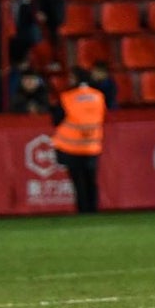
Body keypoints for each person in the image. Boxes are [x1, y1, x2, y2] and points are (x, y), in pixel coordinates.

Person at [50, 68, 106, 213]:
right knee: (91, 180)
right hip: (92, 145)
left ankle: (83, 209)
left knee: (78, 181)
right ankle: (93, 209)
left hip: (71, 146)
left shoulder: (67, 97)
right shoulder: (98, 96)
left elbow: (57, 119)